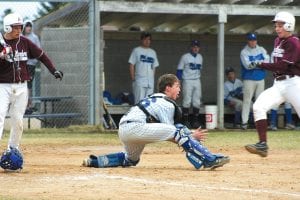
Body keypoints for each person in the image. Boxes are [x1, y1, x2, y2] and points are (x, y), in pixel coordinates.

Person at [83, 74, 230, 170]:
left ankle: (95, 161)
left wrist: (186, 136)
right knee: (179, 129)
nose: (180, 89)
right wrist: (191, 136)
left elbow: (169, 133)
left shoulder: (153, 98)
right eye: (177, 86)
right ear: (167, 88)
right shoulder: (166, 103)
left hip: (124, 129)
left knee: (131, 160)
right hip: (136, 127)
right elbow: (172, 133)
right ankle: (208, 159)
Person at [0, 13, 63, 166]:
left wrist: (53, 69)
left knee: (18, 121)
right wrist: (2, 56)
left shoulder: (25, 42)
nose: (19, 30)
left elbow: (41, 55)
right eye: (15, 27)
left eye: (20, 27)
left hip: (22, 86)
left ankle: (12, 149)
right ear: (8, 27)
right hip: (3, 86)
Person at [245, 11, 300, 157]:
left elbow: (283, 66)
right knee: (258, 107)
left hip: (294, 83)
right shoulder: (277, 41)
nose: (277, 28)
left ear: (289, 25)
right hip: (279, 84)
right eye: (276, 25)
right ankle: (262, 145)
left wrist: (261, 64)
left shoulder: (294, 42)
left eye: (280, 25)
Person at [240, 32, 270, 130]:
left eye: (254, 40)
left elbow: (267, 61)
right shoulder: (244, 52)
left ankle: (258, 122)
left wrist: (256, 63)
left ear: (256, 40)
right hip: (249, 79)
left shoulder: (261, 49)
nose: (252, 42)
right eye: (250, 40)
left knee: (259, 101)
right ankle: (244, 122)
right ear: (248, 41)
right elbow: (247, 66)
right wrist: (260, 63)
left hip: (260, 78)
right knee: (247, 101)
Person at [176, 40, 203, 129]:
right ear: (191, 47)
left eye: (197, 47)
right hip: (187, 80)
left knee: (197, 101)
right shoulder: (185, 57)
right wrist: (178, 81)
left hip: (197, 80)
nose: (195, 48)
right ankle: (185, 121)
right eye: (194, 46)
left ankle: (195, 121)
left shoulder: (200, 57)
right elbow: (179, 70)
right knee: (187, 100)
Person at [128, 32, 159, 104]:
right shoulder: (136, 50)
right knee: (139, 102)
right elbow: (131, 64)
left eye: (149, 39)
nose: (147, 41)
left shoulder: (153, 52)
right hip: (140, 80)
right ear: (141, 40)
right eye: (145, 39)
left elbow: (154, 66)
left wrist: (152, 78)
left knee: (149, 103)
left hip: (150, 81)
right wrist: (133, 78)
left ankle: (147, 116)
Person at [22, 20, 41, 114]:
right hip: (21, 64)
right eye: (27, 26)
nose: (29, 28)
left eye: (30, 26)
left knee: (28, 85)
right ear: (24, 27)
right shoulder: (20, 37)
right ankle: (24, 105)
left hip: (30, 64)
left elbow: (39, 50)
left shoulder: (34, 38)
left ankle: (28, 106)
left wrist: (34, 59)